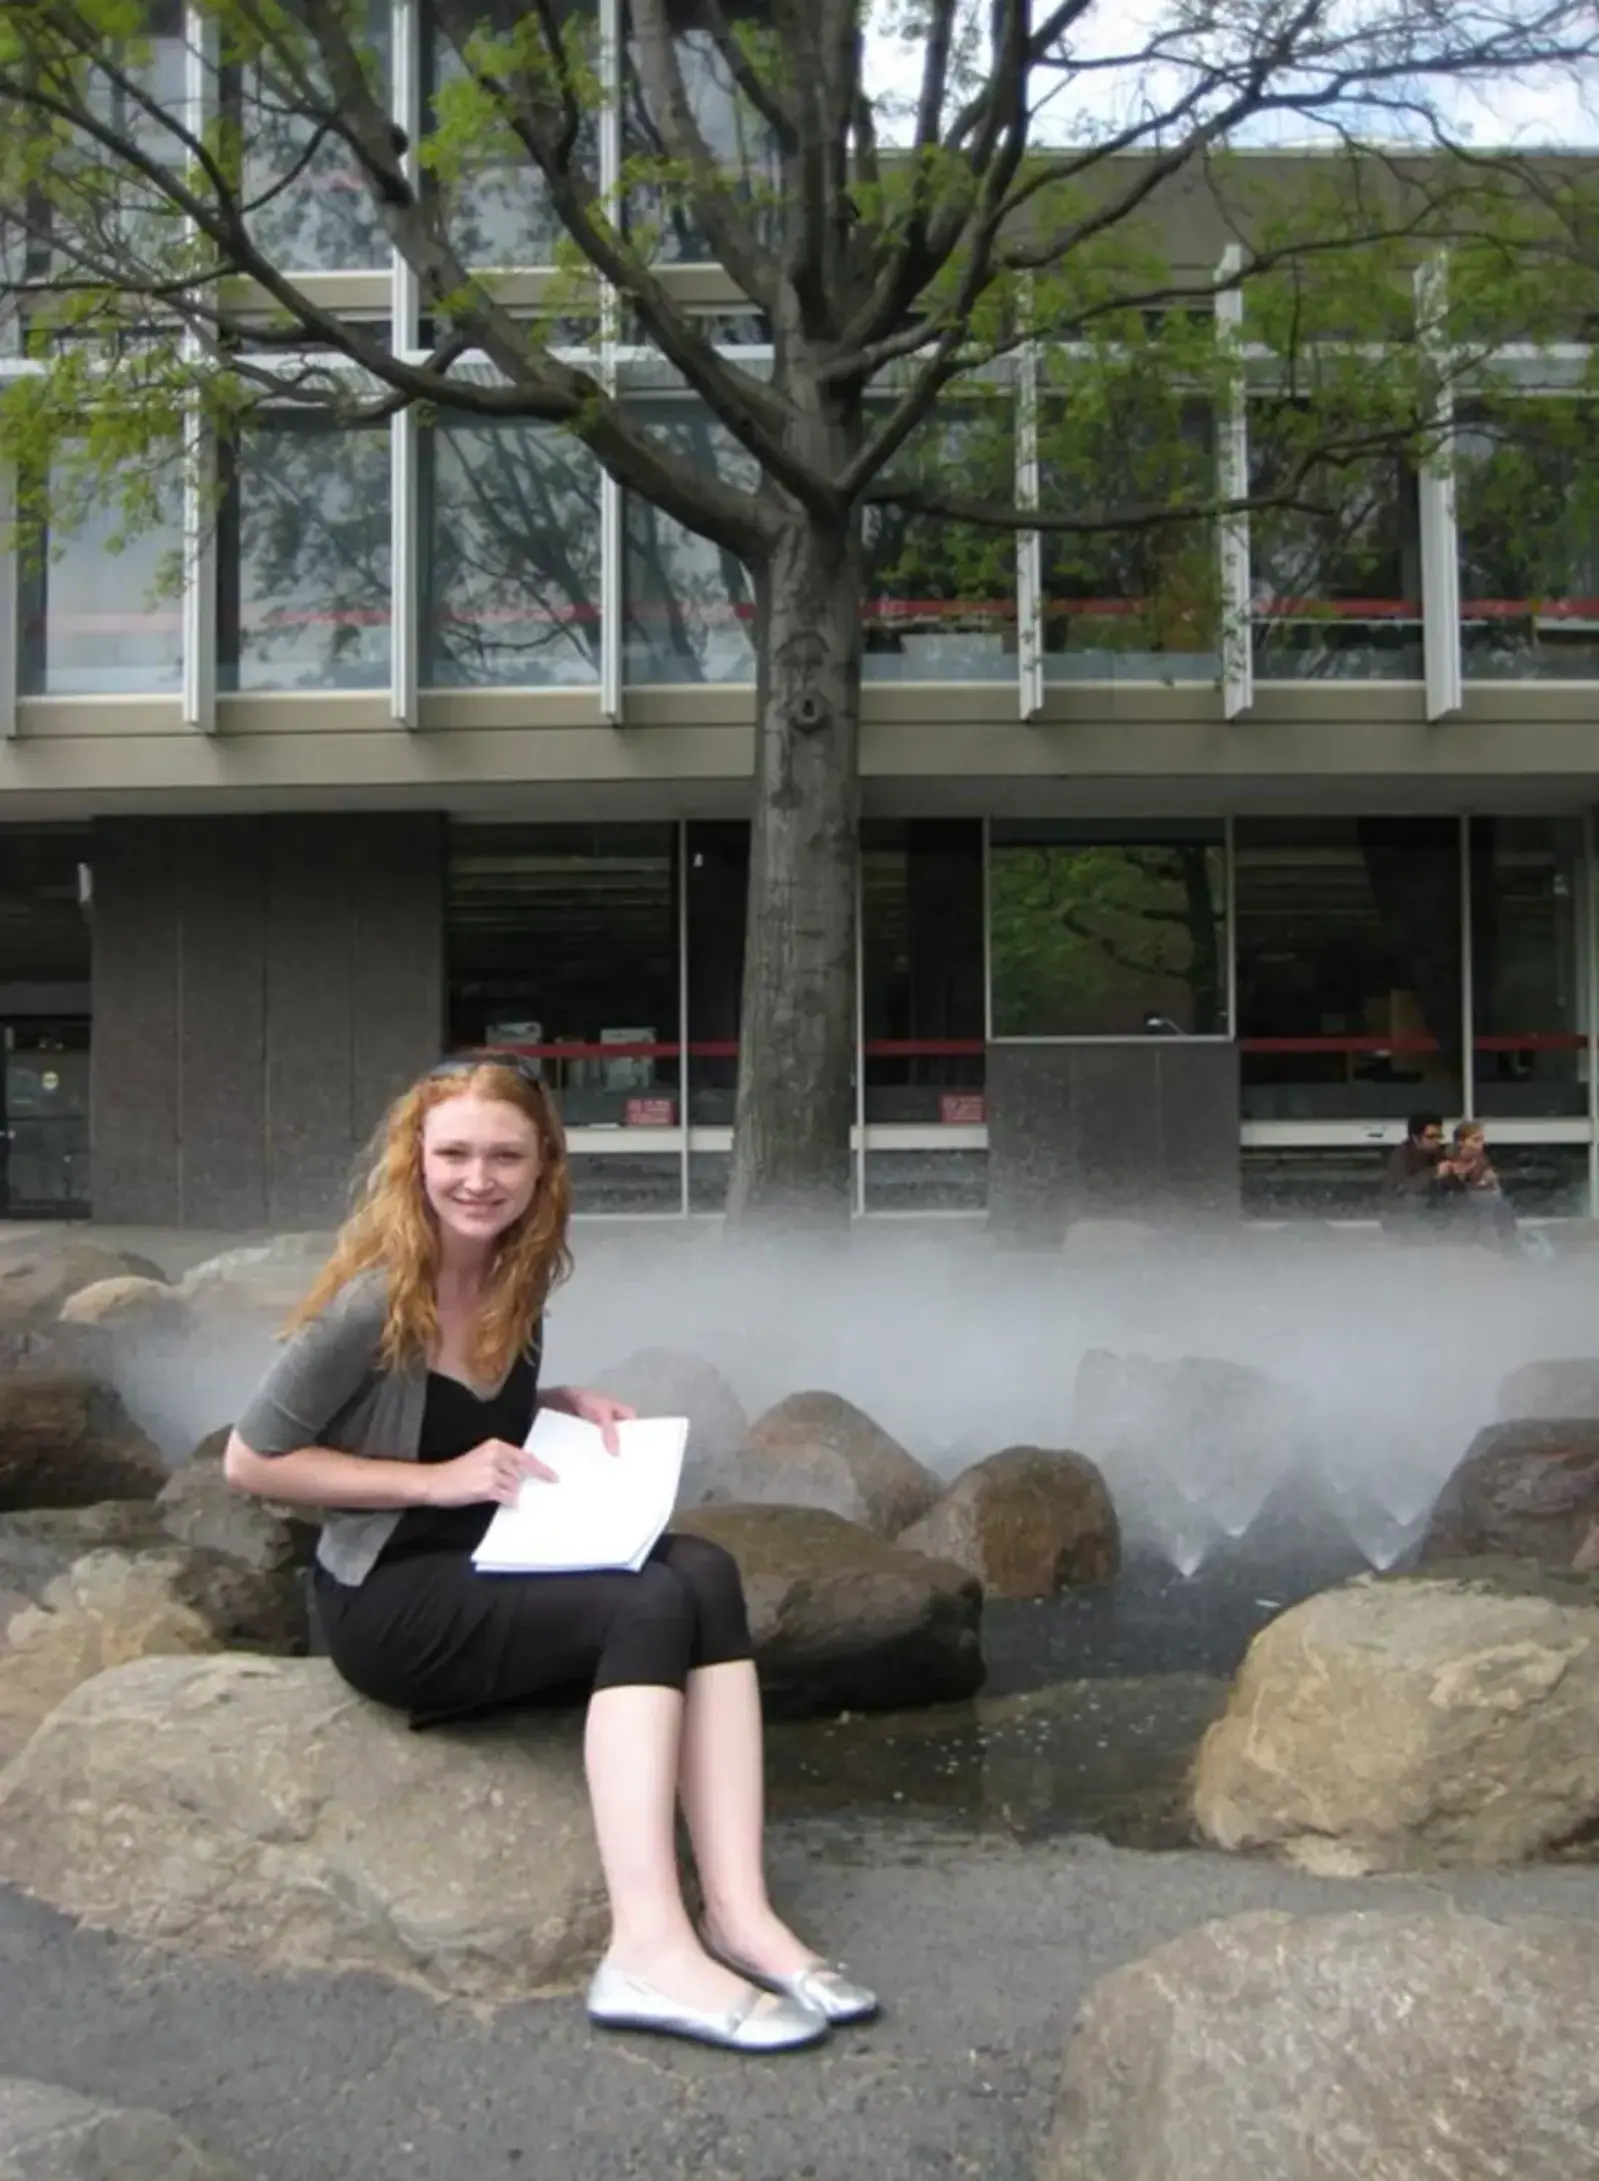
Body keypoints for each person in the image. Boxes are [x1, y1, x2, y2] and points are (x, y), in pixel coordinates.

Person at [223, 1050, 876, 2053]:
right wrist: (431, 1482)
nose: (477, 1178)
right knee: (644, 1604)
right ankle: (646, 1951)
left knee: (703, 1570)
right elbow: (249, 1460)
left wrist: (555, 1404)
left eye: (504, 1156)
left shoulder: (512, 1274)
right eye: (454, 1154)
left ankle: (738, 1914)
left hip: (489, 1555)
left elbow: (461, 1413)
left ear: (542, 1166)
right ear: (414, 1159)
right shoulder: (372, 1299)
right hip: (391, 1599)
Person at [1437, 1119, 1520, 1252]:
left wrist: (1489, 1184)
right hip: (1451, 1213)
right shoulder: (1445, 1161)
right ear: (1461, 1142)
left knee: (1499, 1204)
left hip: (1479, 1214)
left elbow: (1491, 1192)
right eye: (1476, 1140)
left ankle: (1510, 1247)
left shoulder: (1482, 1162)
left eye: (1481, 1140)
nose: (1481, 1144)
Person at [1380, 1110, 1447, 1234]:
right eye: (1430, 1137)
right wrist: (1433, 1173)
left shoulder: (1438, 1153)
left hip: (1431, 1214)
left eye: (1439, 1137)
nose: (1436, 1141)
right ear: (1416, 1137)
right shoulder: (1400, 1156)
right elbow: (1401, 1189)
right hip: (1401, 1217)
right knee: (1412, 1200)